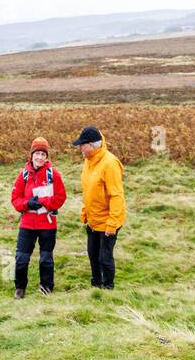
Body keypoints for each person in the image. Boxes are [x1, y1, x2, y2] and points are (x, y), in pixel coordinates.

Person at [10, 137, 67, 297]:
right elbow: (15, 200)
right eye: (37, 153)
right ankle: (20, 289)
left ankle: (46, 288)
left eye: (43, 154)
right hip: (27, 224)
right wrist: (28, 204)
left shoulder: (53, 175)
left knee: (46, 258)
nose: (40, 157)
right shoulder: (23, 175)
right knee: (21, 258)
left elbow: (60, 198)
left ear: (47, 157)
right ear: (31, 155)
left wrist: (42, 202)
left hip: (47, 224)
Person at [72, 124, 126, 290]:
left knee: (104, 257)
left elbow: (116, 196)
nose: (80, 148)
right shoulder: (88, 161)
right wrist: (85, 212)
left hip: (108, 220)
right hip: (93, 219)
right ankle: (96, 285)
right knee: (93, 255)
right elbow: (89, 188)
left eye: (83, 145)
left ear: (92, 145)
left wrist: (112, 223)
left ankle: (108, 288)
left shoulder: (109, 164)